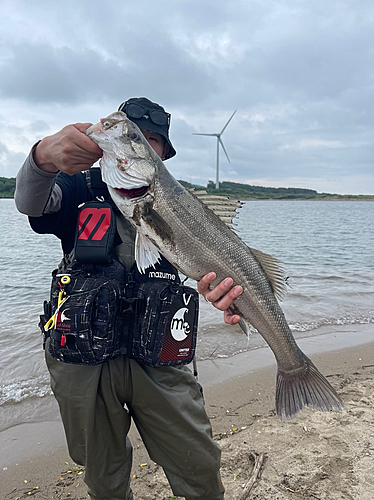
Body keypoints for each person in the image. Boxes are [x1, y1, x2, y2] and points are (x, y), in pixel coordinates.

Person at [15, 97, 243, 500]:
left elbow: (213, 268)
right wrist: (42, 157)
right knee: (103, 474)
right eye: (134, 134)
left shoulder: (183, 205)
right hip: (83, 359)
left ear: (163, 155)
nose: (142, 143)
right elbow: (30, 203)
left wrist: (226, 297)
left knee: (199, 464)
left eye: (151, 139)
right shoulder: (77, 188)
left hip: (160, 356)